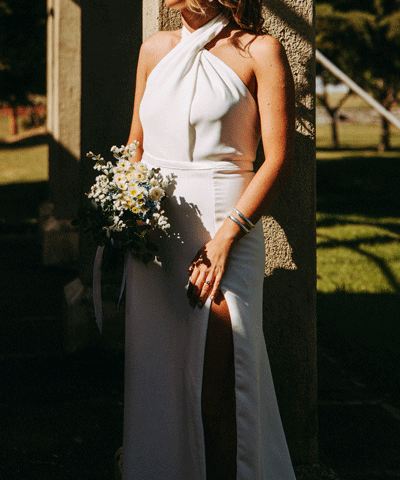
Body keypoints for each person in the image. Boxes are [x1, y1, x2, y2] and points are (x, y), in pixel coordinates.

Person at [122, 0, 296, 478]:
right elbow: (134, 148)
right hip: (155, 243)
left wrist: (226, 239)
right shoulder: (154, 50)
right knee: (157, 383)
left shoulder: (261, 51)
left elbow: (277, 159)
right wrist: (121, 211)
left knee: (220, 388)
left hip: (225, 234)